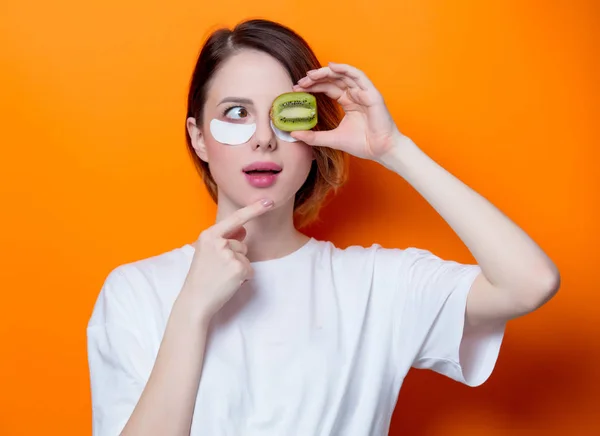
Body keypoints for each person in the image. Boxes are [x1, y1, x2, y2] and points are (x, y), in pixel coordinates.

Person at [86, 18, 560, 436]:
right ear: (199, 138)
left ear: (313, 135)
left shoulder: (375, 286)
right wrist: (191, 310)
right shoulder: (136, 291)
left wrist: (394, 149)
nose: (265, 139)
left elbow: (530, 282)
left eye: (285, 112)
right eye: (236, 113)